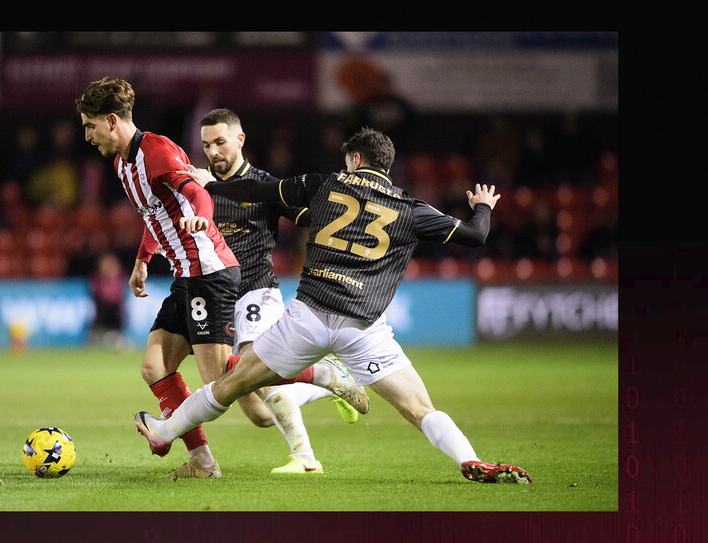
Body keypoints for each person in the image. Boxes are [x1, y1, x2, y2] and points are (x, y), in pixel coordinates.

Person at [134, 127, 533, 484]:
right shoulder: (412, 210)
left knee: (229, 385)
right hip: (363, 328)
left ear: (356, 160)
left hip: (307, 317)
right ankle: (471, 459)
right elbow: (475, 236)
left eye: (347, 161)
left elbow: (259, 192)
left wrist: (211, 185)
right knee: (419, 408)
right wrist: (483, 205)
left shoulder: (325, 184)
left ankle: (164, 431)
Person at [76, 77, 368, 480]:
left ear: (111, 120)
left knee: (219, 379)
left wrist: (203, 218)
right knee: (154, 367)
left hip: (209, 270)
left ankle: (322, 374)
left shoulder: (156, 151)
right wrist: (143, 259)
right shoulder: (122, 164)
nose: (87, 135)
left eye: (90, 126)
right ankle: (203, 462)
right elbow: (154, 213)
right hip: (186, 275)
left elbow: (198, 193)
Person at [197, 108, 361, 475]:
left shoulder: (265, 185)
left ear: (240, 140)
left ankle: (305, 459)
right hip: (217, 298)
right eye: (207, 145)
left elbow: (309, 217)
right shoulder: (199, 187)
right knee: (259, 414)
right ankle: (328, 379)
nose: (213, 151)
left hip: (257, 290)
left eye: (220, 142)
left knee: (262, 368)